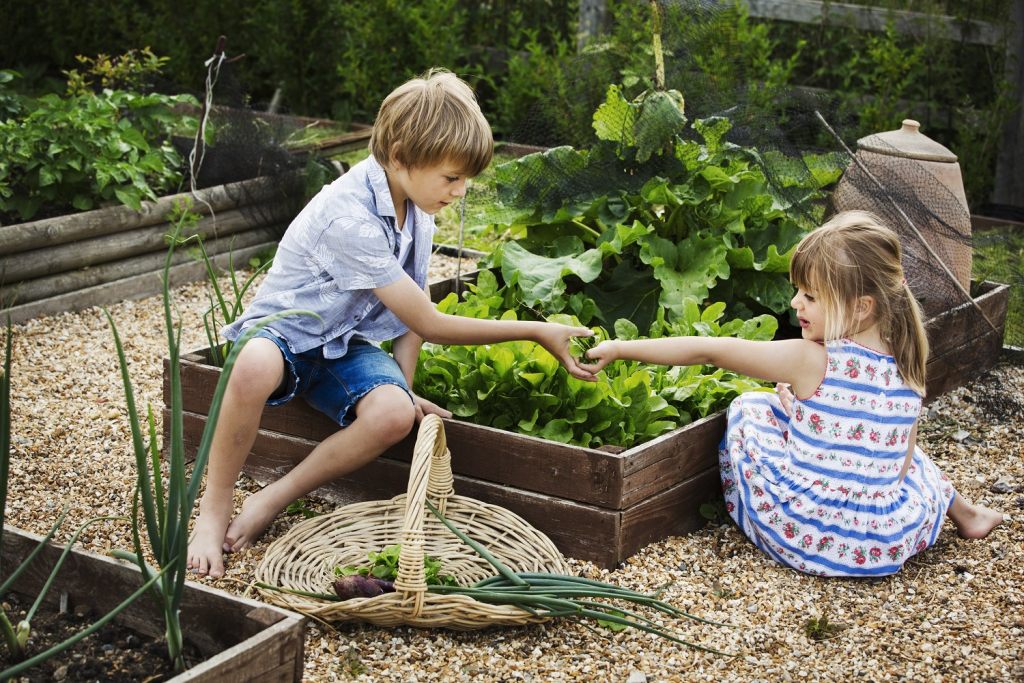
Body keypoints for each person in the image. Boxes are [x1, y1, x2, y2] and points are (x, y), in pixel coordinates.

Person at [186, 68, 595, 578]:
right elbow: (431, 319)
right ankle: (214, 508)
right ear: (401, 157)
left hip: (343, 344)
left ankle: (275, 496)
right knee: (252, 363)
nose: (461, 192)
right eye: (452, 178)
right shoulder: (349, 217)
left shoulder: (416, 208)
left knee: (394, 416)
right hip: (286, 335)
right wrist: (536, 330)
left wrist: (400, 386)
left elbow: (413, 308)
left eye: (465, 179)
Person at [582, 210, 1005, 576]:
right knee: (893, 452)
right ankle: (966, 514)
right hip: (882, 544)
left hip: (804, 533)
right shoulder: (909, 365)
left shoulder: (810, 360)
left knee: (752, 406)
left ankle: (760, 505)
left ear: (860, 307)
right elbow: (899, 469)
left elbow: (711, 352)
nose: (795, 304)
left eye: (810, 296)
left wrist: (620, 348)